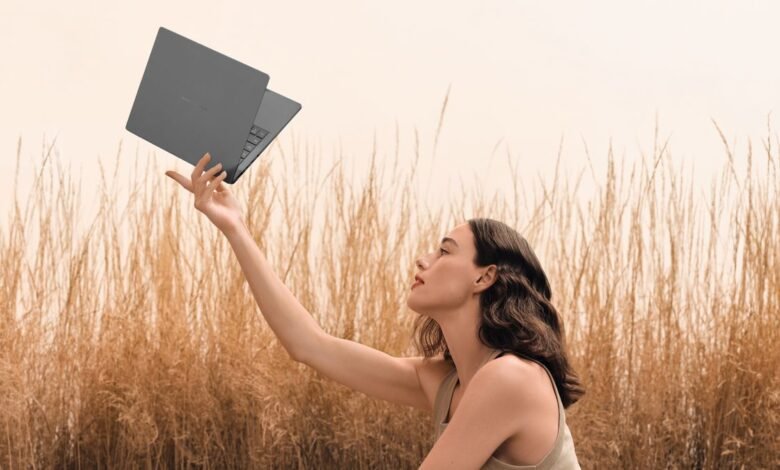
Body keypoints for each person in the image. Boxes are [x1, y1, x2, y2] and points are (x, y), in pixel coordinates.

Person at [166, 152, 584, 469]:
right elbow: (310, 345)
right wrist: (235, 227)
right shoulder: (446, 381)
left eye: (443, 251)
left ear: (484, 278)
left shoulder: (511, 378)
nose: (422, 261)